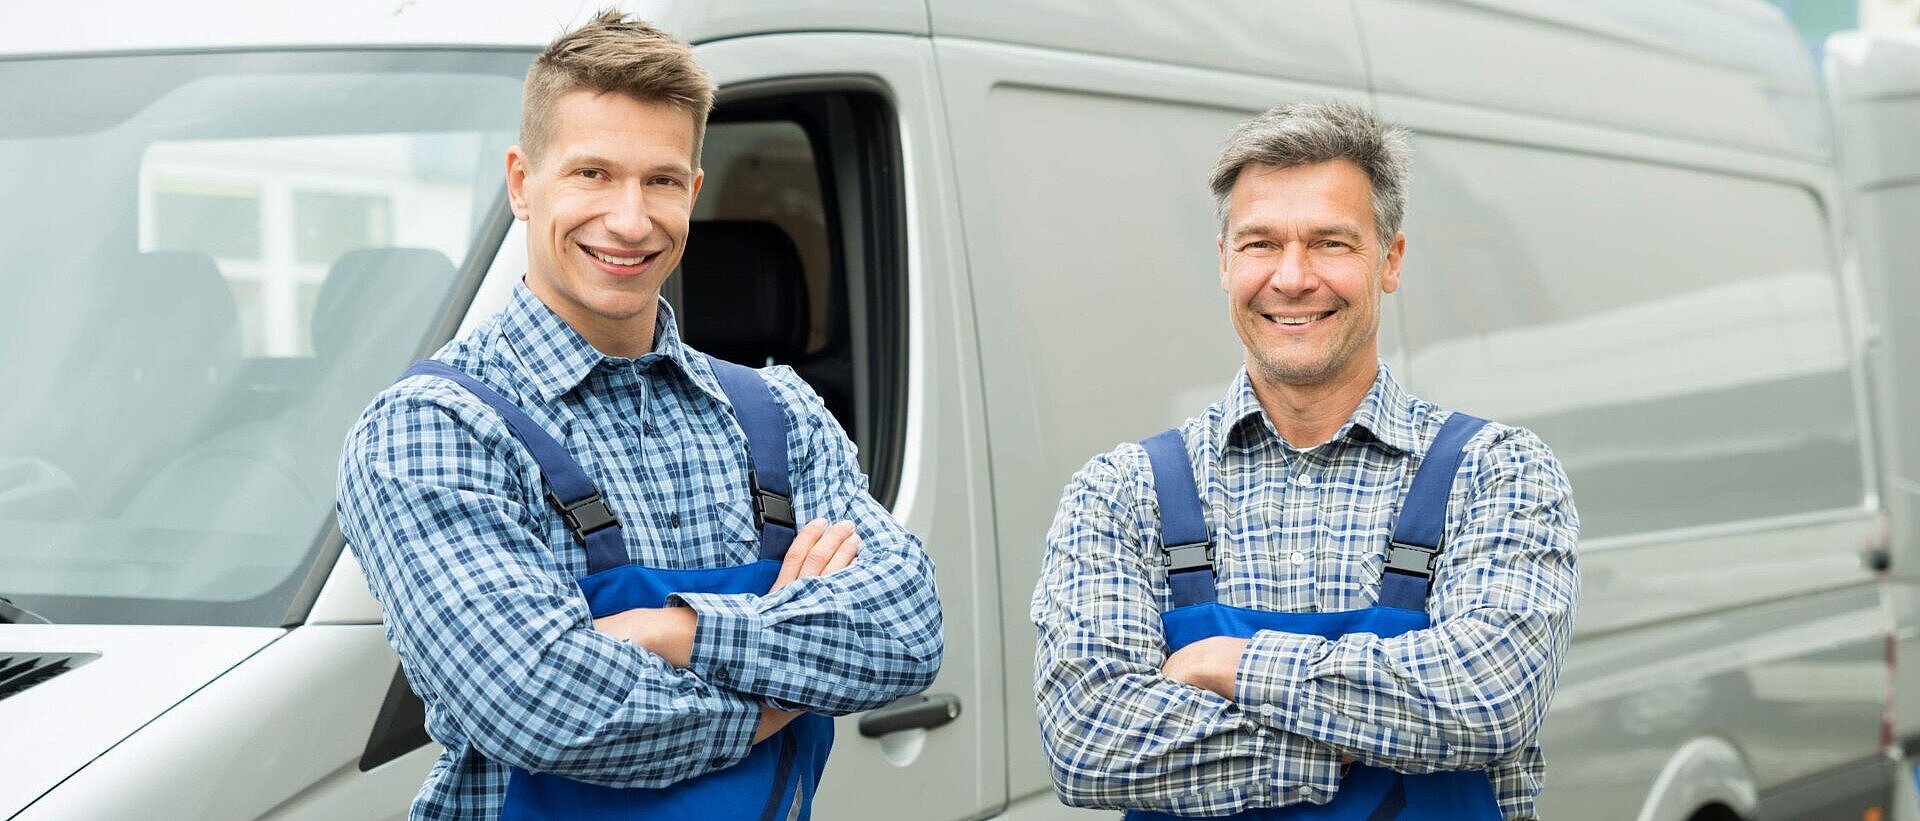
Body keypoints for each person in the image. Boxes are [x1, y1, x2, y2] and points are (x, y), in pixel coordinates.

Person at [335, 10, 942, 819]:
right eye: (592, 174)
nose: (629, 220)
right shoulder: (432, 430)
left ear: (693, 190)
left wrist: (676, 634)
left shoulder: (778, 413)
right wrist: (775, 697)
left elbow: (904, 633)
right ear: (522, 181)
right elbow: (538, 703)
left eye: (659, 180)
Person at [1030, 101, 1578, 820]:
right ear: (1225, 262)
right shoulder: (1125, 493)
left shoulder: (1498, 474)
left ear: (1391, 260)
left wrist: (1233, 665)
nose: (1292, 277)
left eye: (1330, 243)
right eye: (1261, 243)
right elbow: (1088, 740)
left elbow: (1485, 698)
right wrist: (1353, 740)